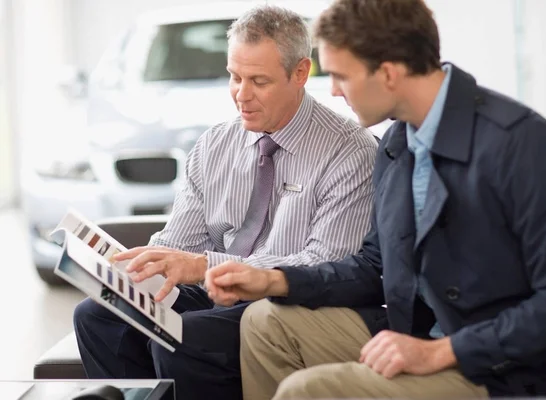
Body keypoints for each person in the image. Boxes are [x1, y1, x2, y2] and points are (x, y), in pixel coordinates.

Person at [205, 0, 546, 398]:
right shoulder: (398, 143)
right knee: (264, 323)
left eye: (341, 75)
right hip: (420, 332)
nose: (334, 90)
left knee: (307, 390)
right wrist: (274, 279)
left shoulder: (522, 143)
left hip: (508, 367)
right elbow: (375, 266)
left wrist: (444, 351)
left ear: (389, 74)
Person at [73, 5, 378, 400]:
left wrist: (206, 266)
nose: (241, 95)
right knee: (98, 315)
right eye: (235, 77)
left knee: (189, 337)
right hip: (213, 290)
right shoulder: (215, 143)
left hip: (285, 304)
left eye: (259, 81)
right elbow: (179, 243)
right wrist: (138, 269)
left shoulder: (349, 151)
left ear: (301, 73)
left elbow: (325, 264)